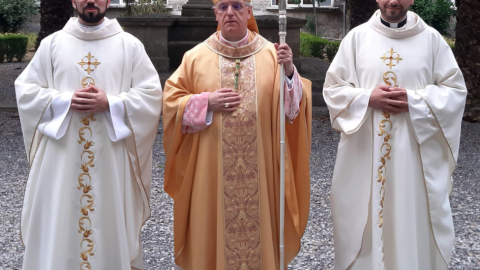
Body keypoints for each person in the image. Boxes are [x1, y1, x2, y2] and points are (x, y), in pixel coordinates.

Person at [162, 0, 312, 269]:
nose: (230, 12)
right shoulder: (195, 57)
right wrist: (206, 102)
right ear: (215, 14)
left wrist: (289, 72)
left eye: (237, 6)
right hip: (211, 173)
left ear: (249, 12)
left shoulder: (272, 55)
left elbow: (292, 112)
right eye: (223, 7)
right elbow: (171, 104)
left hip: (262, 171)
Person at [15, 0, 162, 269]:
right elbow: (26, 90)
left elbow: (151, 95)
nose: (91, 1)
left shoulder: (129, 45)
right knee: (60, 218)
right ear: (74, 1)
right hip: (61, 157)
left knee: (108, 217)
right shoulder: (52, 44)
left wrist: (113, 104)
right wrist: (63, 101)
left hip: (111, 156)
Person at [323, 0, 467, 269]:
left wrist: (414, 101)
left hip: (413, 161)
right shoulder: (357, 39)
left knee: (408, 218)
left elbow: (455, 92)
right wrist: (367, 98)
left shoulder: (433, 41)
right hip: (364, 156)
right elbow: (333, 90)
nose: (393, 1)